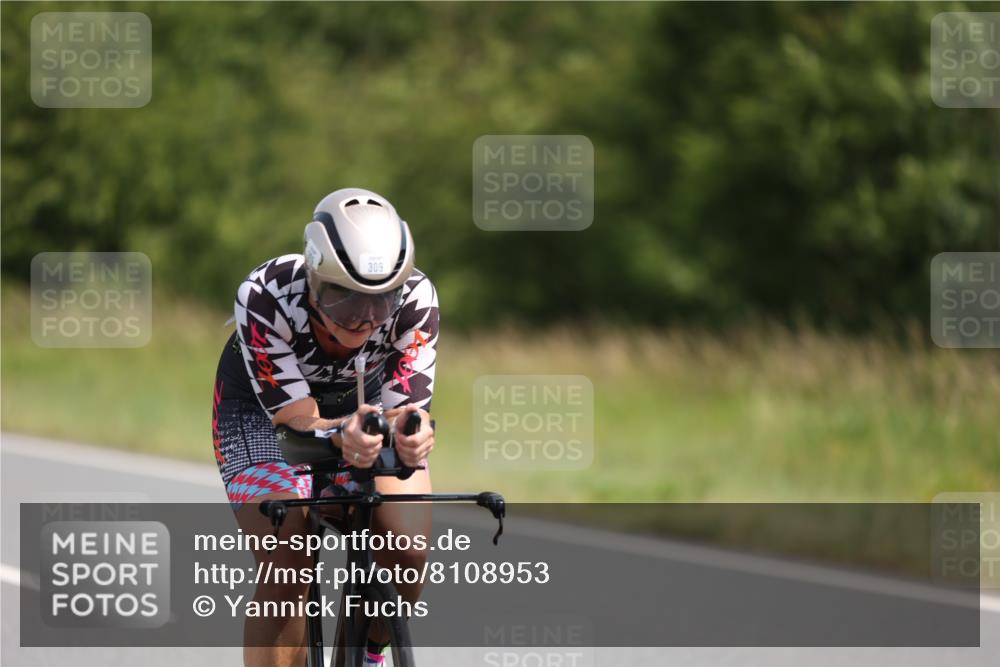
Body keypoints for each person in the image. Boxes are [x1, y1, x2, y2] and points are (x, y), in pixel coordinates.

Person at [211, 188, 439, 667]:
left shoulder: (417, 297)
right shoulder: (265, 294)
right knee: (289, 547)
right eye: (346, 301)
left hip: (364, 407)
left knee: (408, 546)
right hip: (264, 418)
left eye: (381, 303)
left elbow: (406, 409)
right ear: (314, 278)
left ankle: (371, 653)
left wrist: (412, 430)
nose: (366, 320)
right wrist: (342, 436)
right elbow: (296, 424)